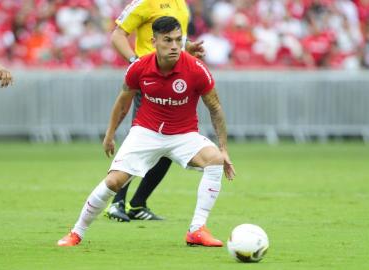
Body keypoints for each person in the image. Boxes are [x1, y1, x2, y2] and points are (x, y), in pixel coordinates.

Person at [57, 16, 235, 247]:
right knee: (113, 182)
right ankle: (76, 232)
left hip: (184, 135)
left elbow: (215, 107)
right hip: (145, 133)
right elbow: (123, 103)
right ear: (154, 41)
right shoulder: (139, 68)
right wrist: (110, 135)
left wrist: (223, 149)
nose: (174, 46)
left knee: (215, 160)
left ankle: (196, 229)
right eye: (167, 40)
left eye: (178, 40)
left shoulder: (196, 69)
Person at [106, 0, 205, 222]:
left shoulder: (180, 4)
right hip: (150, 79)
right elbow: (117, 35)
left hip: (175, 80)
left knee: (171, 140)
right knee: (142, 141)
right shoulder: (144, 3)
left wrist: (187, 48)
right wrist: (135, 62)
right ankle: (116, 203)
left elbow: (175, 40)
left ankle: (138, 204)